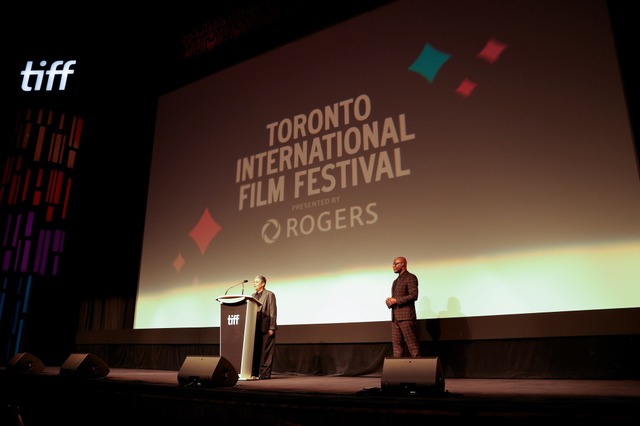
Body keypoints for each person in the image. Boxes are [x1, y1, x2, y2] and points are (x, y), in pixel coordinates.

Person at [385, 256, 421, 358]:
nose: (393, 266)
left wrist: (396, 300)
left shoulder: (411, 277)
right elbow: (396, 298)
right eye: (393, 264)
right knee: (397, 346)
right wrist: (390, 302)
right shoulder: (395, 281)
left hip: (406, 317)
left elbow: (414, 295)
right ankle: (398, 367)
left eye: (395, 264)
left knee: (412, 344)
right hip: (395, 318)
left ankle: (418, 366)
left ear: (402, 264)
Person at [251, 275, 277, 379]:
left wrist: (272, 327)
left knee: (266, 352)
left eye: (257, 282)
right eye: (254, 282)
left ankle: (265, 374)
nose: (254, 284)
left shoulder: (269, 294)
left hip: (266, 327)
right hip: (254, 327)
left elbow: (273, 311)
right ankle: (254, 373)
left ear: (263, 283)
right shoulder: (252, 296)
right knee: (255, 351)